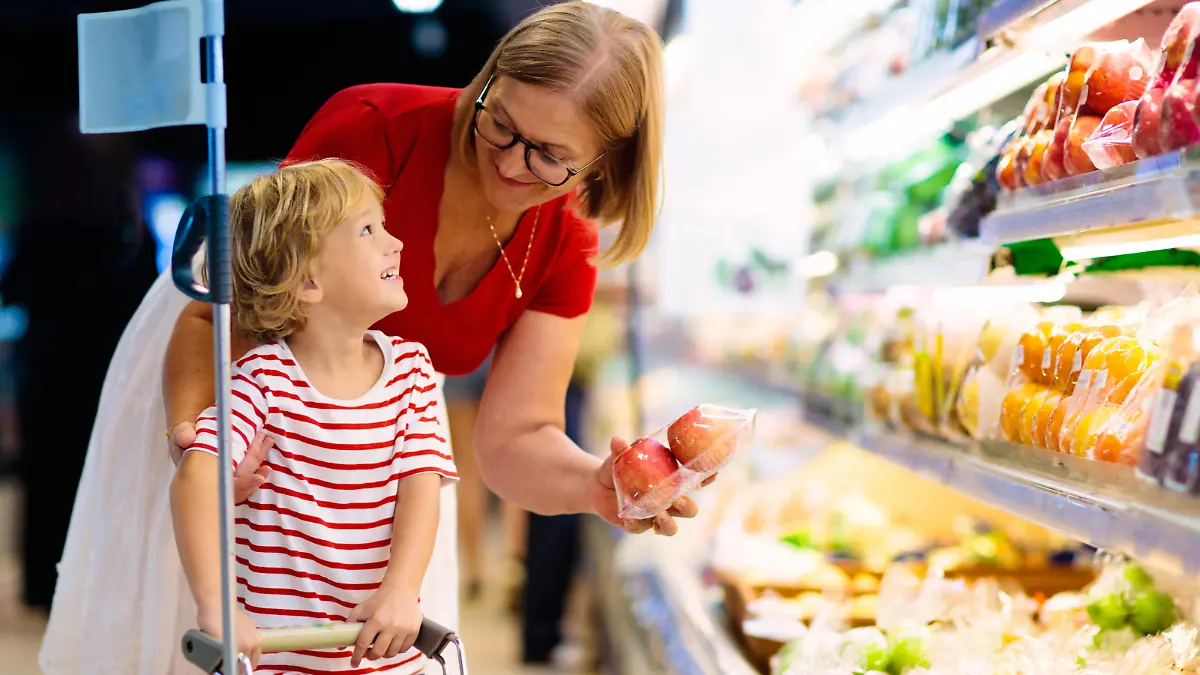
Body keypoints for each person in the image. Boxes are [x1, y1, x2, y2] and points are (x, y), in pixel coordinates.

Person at [40, 4, 698, 674]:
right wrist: (193, 441)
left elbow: (514, 438)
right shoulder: (376, 128)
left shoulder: (566, 242)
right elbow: (221, 317)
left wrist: (595, 483)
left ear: (600, 163)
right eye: (500, 121)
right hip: (226, 379)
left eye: (550, 156)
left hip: (370, 467)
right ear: (489, 78)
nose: (507, 161)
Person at [172, 158, 457, 674]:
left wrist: (401, 589)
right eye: (369, 230)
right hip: (279, 655)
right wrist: (217, 606)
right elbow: (197, 474)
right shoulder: (260, 379)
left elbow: (422, 482)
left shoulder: (411, 370)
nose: (394, 242)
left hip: (383, 651)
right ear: (307, 282)